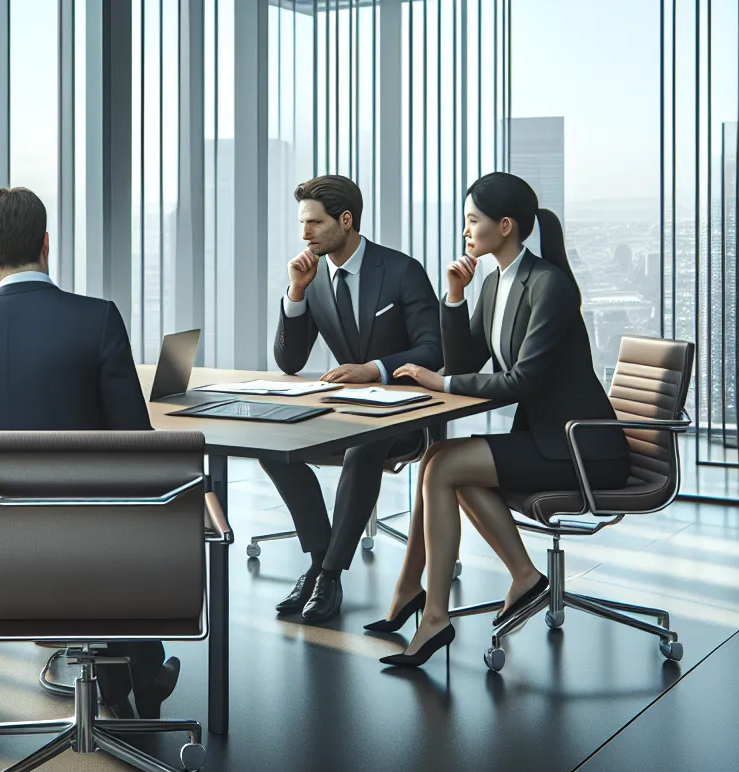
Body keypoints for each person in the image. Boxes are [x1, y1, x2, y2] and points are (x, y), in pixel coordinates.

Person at [0, 185, 180, 719]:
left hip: (3, 549)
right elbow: (136, 443)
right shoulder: (96, 318)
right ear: (46, 243)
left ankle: (122, 683)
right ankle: (138, 673)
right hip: (95, 544)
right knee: (119, 510)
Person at [376, 173, 630, 667]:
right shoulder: (495, 282)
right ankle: (501, 580)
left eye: (473, 220)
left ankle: (434, 615)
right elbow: (465, 362)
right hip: (547, 440)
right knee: (438, 458)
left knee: (443, 466)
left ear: (506, 225)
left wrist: (441, 383)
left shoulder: (549, 285)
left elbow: (522, 380)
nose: (465, 231)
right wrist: (455, 296)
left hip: (580, 449)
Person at [263, 175, 442, 622]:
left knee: (365, 444)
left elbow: (434, 350)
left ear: (345, 221)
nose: (304, 233)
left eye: (314, 223)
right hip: (344, 412)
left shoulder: (401, 271)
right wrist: (296, 293)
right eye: (302, 223)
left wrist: (375, 368)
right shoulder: (314, 277)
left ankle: (328, 575)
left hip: (403, 418)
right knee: (269, 443)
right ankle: (319, 559)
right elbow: (289, 361)